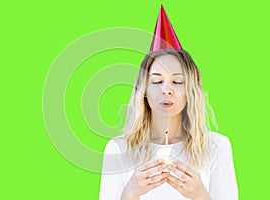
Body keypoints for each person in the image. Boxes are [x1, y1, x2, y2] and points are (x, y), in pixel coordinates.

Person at [99, 5, 238, 200]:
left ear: (190, 91)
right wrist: (130, 192)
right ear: (144, 91)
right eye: (156, 81)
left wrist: (200, 195)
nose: (166, 89)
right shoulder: (119, 149)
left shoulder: (216, 146)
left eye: (177, 81)